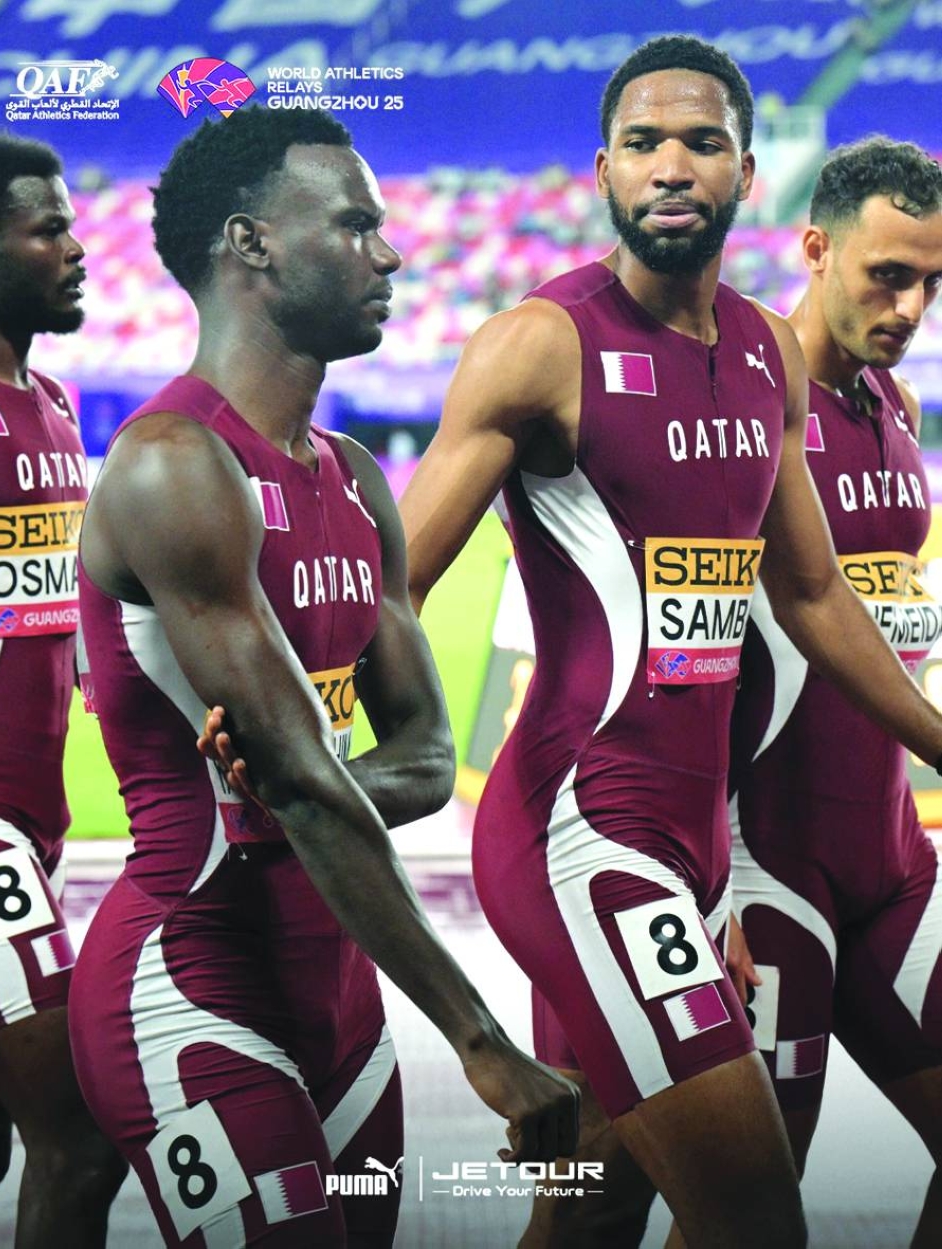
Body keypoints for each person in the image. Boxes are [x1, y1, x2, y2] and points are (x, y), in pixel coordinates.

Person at [399, 34, 942, 1249]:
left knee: (597, 1202)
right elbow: (396, 583)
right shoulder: (538, 343)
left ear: (747, 173)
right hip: (578, 832)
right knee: (753, 1211)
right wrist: (312, 713)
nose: (671, 165)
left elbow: (811, 601)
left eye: (702, 142)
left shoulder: (761, 356)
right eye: (643, 143)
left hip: (695, 846)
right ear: (603, 169)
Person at [67, 105, 578, 1249]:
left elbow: (426, 760)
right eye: (355, 224)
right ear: (250, 244)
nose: (391, 253)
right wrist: (483, 1042)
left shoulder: (352, 475)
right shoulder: (171, 466)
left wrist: (301, 777)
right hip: (191, 977)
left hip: (338, 1003)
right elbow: (304, 785)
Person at [725, 136, 942, 1246]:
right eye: (887, 276)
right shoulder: (741, 408)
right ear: (814, 248)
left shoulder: (892, 404)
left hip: (891, 854)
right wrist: (698, 885)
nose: (909, 306)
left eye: (931, 283)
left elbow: (888, 606)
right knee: (754, 1215)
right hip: (768, 872)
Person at [0, 133, 126, 1246]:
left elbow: (50, 600)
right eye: (47, 229)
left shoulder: (53, 403)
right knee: (82, 1128)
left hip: (30, 820)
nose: (75, 247)